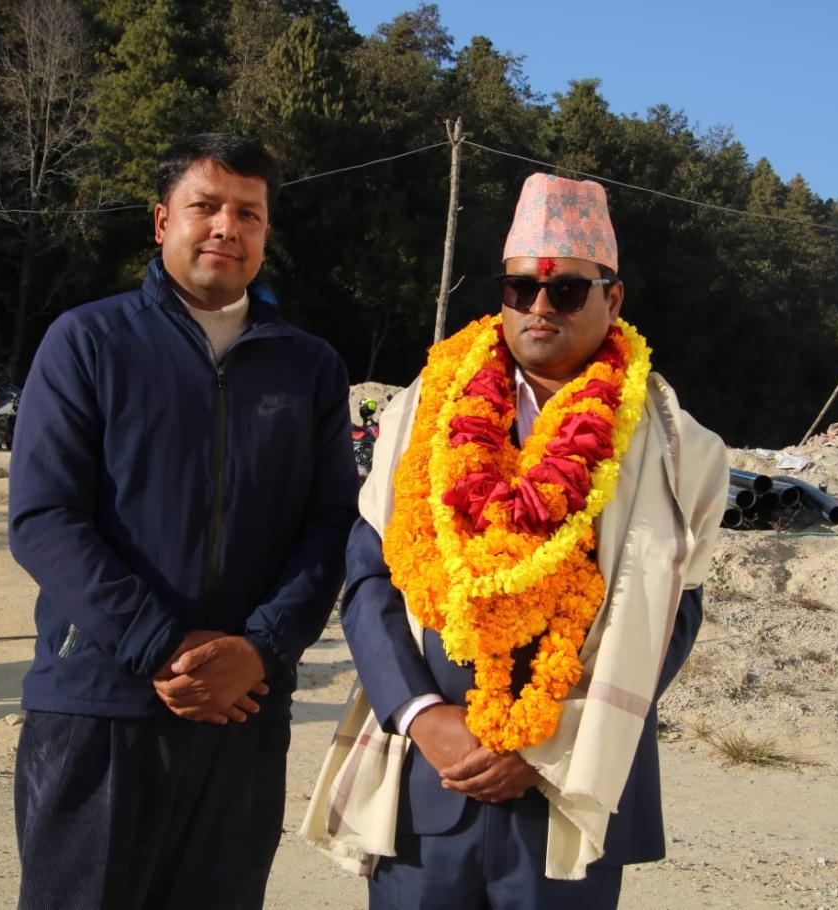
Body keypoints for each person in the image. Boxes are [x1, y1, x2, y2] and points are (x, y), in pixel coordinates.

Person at [302, 173, 727, 908]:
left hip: (569, 782)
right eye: (520, 288)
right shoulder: (420, 415)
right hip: (429, 780)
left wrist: (546, 744)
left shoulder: (675, 447)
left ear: (613, 300)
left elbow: (671, 615)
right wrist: (421, 715)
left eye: (566, 290)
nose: (539, 306)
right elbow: (371, 579)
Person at [8, 133, 358, 909]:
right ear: (162, 221)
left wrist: (261, 649)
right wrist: (161, 645)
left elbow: (331, 524)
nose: (226, 227)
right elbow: (44, 517)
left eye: (248, 214)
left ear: (265, 233)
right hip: (100, 702)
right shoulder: (89, 342)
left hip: (243, 710)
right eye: (205, 206)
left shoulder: (308, 367)